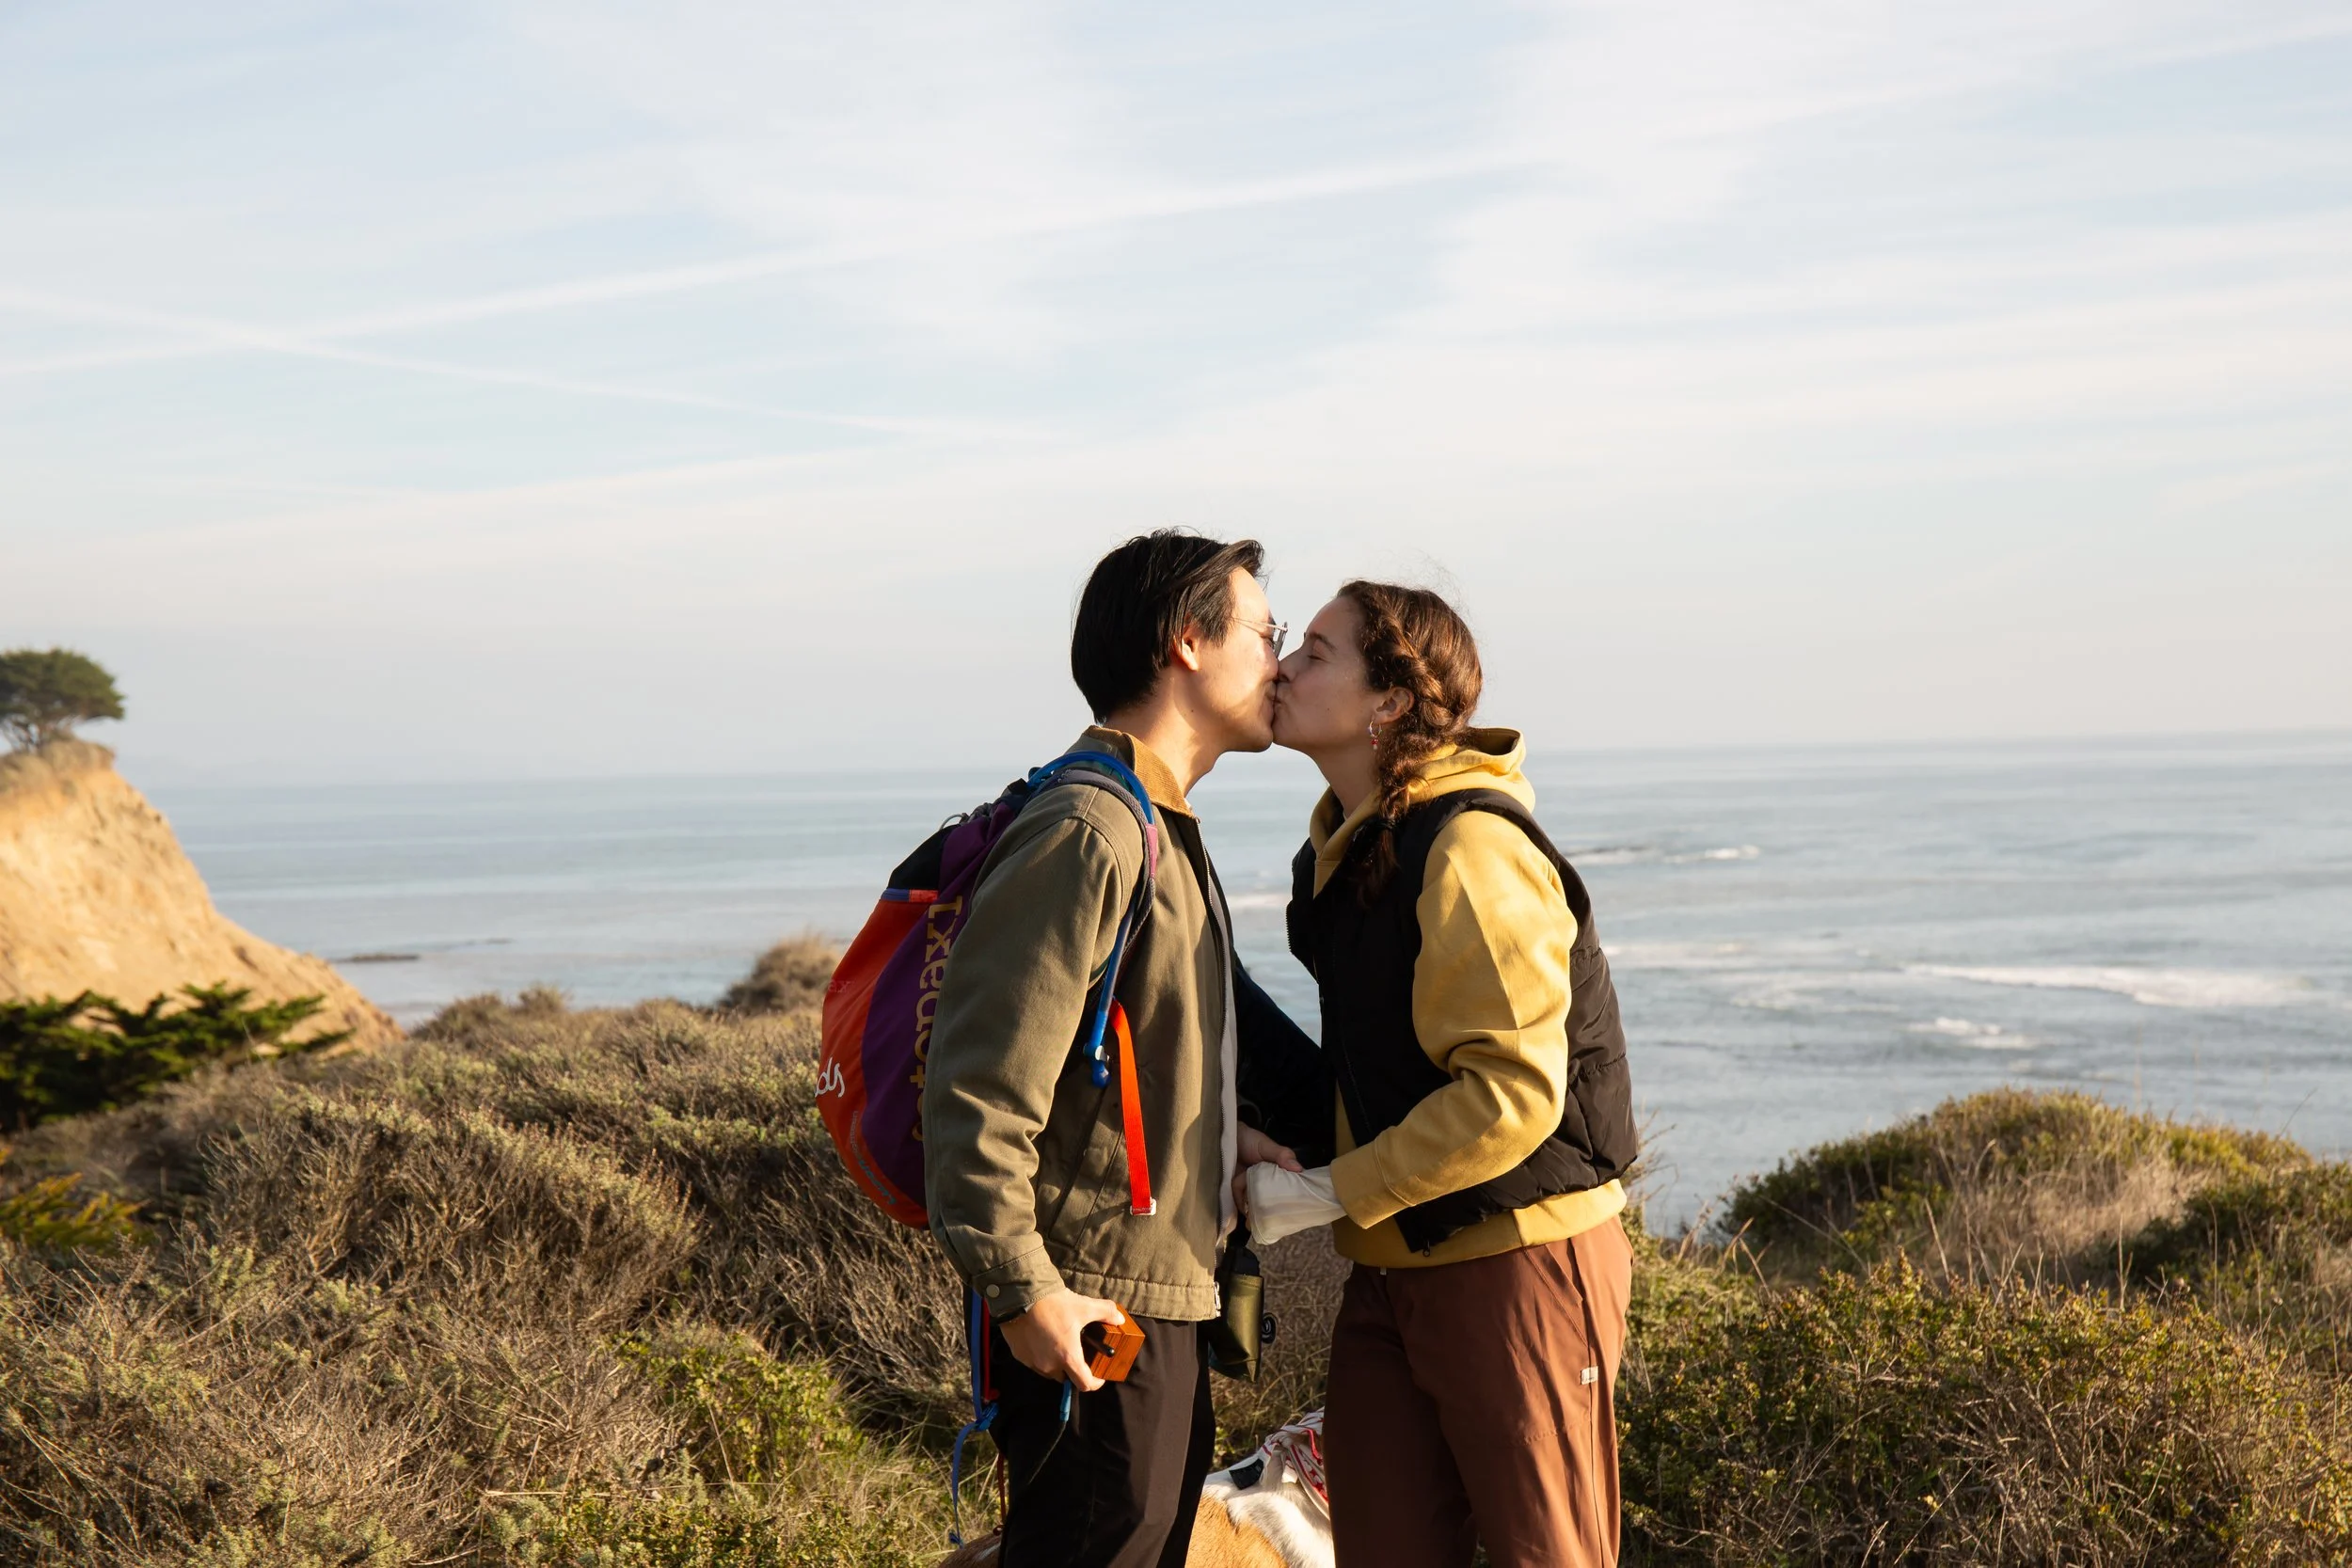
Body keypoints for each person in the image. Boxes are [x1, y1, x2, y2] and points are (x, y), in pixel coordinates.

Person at [922, 530, 1314, 1568]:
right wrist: (1026, 1291)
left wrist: (1217, 1135)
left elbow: (1127, 1053)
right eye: (1266, 633)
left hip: (1156, 1289)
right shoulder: (1091, 827)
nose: (1279, 662)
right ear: (1188, 641)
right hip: (1093, 1299)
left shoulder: (1158, 824)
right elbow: (978, 1090)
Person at [1245, 579, 1640, 1568]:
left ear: (1387, 701)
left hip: (1519, 1262)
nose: (1281, 667)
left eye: (1316, 652)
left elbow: (1512, 1093)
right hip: (1396, 1265)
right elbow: (1381, 1062)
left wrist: (1327, 1191)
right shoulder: (1348, 845)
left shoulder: (1469, 844)